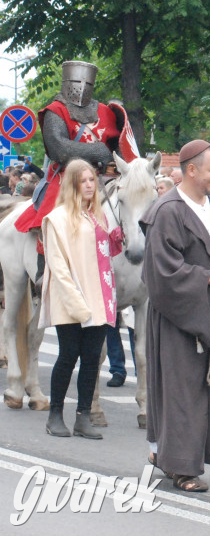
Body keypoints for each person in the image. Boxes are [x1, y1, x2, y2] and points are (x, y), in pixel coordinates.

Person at [140, 140, 210, 493]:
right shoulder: (167, 210)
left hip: (207, 310)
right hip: (176, 314)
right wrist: (207, 278)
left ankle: (166, 454)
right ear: (191, 170)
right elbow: (161, 271)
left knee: (196, 391)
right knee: (179, 391)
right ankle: (181, 467)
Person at [42, 159, 123, 440]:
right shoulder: (58, 218)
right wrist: (77, 303)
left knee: (91, 360)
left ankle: (83, 416)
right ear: (73, 184)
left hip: (99, 300)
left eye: (93, 180)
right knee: (67, 357)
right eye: (84, 181)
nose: (90, 185)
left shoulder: (97, 216)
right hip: (72, 301)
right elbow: (58, 266)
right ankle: (55, 415)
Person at [17, 61, 138, 236]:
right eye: (76, 83)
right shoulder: (56, 111)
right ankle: (46, 257)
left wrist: (116, 160)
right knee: (52, 224)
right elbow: (60, 150)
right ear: (66, 82)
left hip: (105, 176)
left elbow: (119, 143)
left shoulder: (105, 112)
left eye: (87, 84)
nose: (81, 88)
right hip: (66, 177)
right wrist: (97, 151)